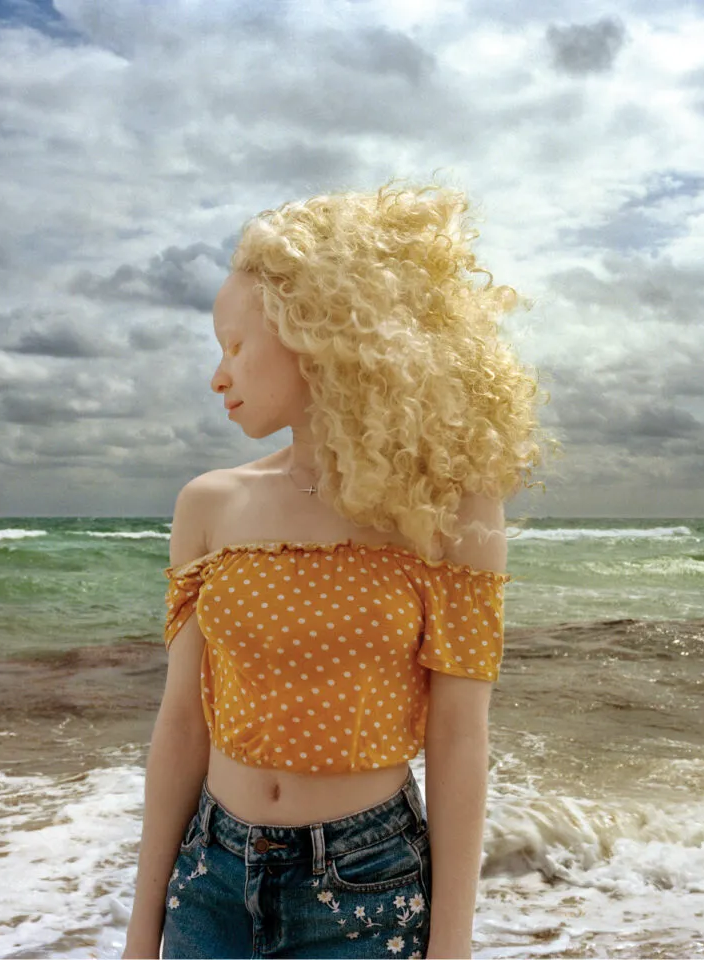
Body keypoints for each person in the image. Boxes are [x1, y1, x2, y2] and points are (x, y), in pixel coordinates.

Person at [121, 182, 552, 959]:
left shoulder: (449, 511)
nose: (219, 376)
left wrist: (449, 946)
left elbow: (459, 740)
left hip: (368, 887)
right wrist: (140, 933)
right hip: (209, 879)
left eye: (235, 345)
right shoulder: (210, 505)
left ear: (312, 332)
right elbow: (182, 723)